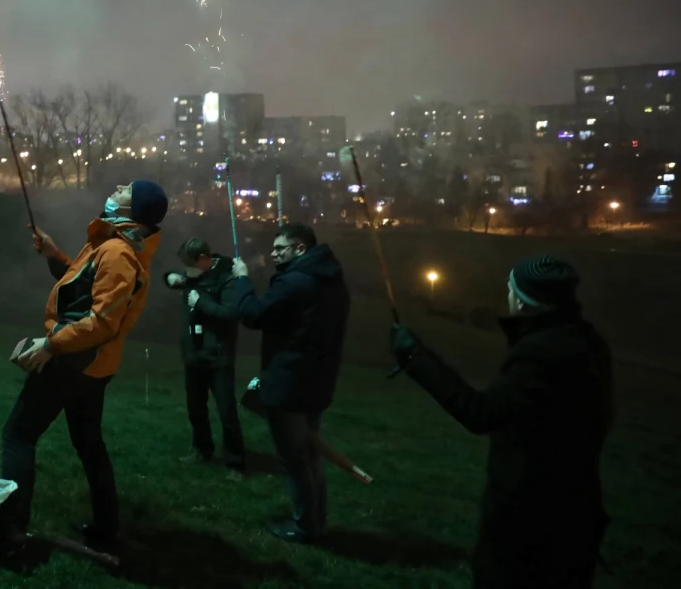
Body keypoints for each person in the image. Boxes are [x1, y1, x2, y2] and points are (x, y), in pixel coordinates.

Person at [390, 256, 613, 589]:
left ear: (521, 301)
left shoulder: (540, 354)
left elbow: (481, 413)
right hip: (578, 508)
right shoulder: (588, 342)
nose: (506, 294)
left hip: (530, 517)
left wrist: (415, 357)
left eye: (510, 288)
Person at [0, 180, 169, 555]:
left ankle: (10, 533)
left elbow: (102, 322)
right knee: (89, 444)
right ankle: (107, 528)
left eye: (127, 189)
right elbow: (82, 286)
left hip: (74, 362)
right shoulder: (113, 244)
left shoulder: (119, 253)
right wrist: (54, 254)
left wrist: (51, 345)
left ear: (133, 211)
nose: (118, 187)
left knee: (18, 436)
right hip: (93, 367)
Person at [231, 222, 348, 543]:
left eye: (280, 249)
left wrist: (242, 278)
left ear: (300, 248)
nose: (273, 253)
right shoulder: (331, 279)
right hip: (318, 381)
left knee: (296, 459)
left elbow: (253, 314)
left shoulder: (296, 282)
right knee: (309, 454)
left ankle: (306, 527)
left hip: (290, 384)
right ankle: (315, 520)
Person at [163, 237, 246, 480]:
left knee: (226, 411)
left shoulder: (227, 276)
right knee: (195, 408)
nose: (186, 271)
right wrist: (170, 278)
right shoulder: (192, 275)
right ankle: (202, 449)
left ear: (203, 259)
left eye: (189, 265)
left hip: (218, 355)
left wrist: (201, 302)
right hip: (194, 353)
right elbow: (173, 278)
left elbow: (231, 313)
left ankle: (236, 462)